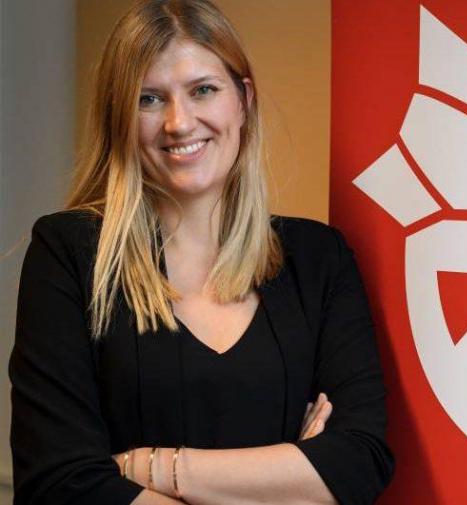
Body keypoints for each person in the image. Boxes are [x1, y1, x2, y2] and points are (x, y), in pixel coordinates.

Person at [8, 1, 394, 504]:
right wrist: (287, 477)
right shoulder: (69, 253)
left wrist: (150, 466)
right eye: (149, 99)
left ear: (243, 100)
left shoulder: (319, 258)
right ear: (119, 117)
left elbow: (359, 462)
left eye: (203, 90)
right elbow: (58, 485)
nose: (178, 122)